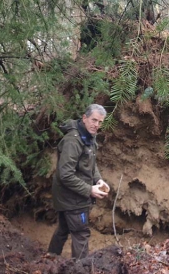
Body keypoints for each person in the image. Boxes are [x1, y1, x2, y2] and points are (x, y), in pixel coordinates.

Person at [48, 104, 110, 259]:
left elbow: (90, 162)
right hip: (72, 197)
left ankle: (50, 259)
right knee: (81, 234)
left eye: (100, 122)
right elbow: (65, 174)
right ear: (84, 118)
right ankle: (80, 269)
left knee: (63, 228)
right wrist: (89, 190)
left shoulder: (88, 135)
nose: (97, 125)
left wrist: (98, 180)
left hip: (68, 195)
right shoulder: (73, 141)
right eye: (94, 120)